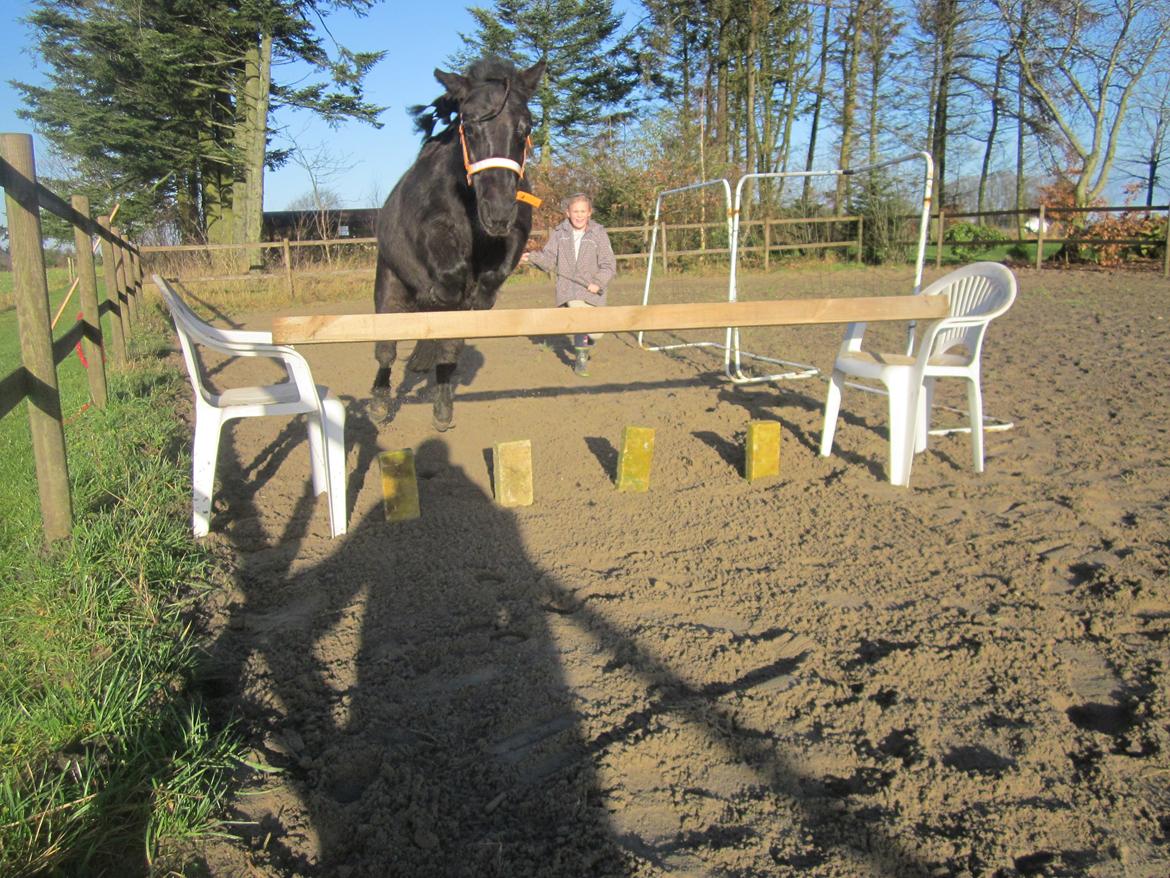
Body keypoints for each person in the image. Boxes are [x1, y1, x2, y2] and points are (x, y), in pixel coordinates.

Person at [521, 193, 617, 376]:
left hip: (593, 290)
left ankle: (586, 345)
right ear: (568, 213)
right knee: (580, 320)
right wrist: (531, 257)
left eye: (582, 211)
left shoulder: (598, 233)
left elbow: (609, 264)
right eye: (575, 211)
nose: (579, 215)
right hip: (569, 289)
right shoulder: (559, 233)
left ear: (589, 213)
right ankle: (580, 360)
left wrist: (598, 282)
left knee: (596, 332)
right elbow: (549, 260)